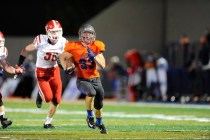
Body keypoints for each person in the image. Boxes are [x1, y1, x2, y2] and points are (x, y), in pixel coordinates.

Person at [17, 20, 67, 129]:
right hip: (42, 71)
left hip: (54, 70)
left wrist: (67, 66)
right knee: (48, 98)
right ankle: (40, 94)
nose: (56, 34)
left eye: (58, 31)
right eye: (53, 32)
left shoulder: (63, 42)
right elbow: (25, 49)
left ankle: (47, 122)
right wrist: (20, 64)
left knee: (57, 99)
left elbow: (66, 58)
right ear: (47, 31)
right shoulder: (41, 40)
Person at [58, 24, 107, 134]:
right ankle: (89, 116)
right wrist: (67, 67)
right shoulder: (73, 46)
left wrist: (93, 56)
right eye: (85, 34)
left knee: (99, 103)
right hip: (82, 80)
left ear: (93, 35)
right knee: (91, 92)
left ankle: (100, 123)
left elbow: (103, 65)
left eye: (90, 34)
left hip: (96, 79)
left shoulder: (97, 45)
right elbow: (62, 57)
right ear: (81, 36)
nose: (88, 37)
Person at [0, 31, 25, 128]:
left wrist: (15, 71)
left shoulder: (2, 52)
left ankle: (2, 119)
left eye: (1, 41)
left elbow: (6, 66)